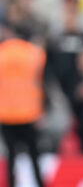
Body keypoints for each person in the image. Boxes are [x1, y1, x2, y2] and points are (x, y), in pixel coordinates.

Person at [0, 25, 47, 187]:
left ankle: (11, 184)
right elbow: (41, 83)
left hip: (6, 113)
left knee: (11, 154)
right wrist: (41, 110)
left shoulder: (2, 52)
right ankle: (40, 183)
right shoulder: (34, 53)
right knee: (34, 153)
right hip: (29, 113)